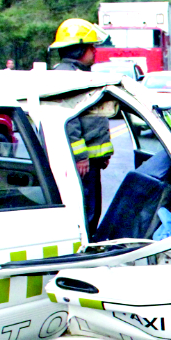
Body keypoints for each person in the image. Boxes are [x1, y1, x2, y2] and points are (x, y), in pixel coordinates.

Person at [50, 18, 114, 238]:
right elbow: (69, 122)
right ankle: (86, 252)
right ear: (79, 49)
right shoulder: (67, 78)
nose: (94, 51)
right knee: (86, 213)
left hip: (88, 162)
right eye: (90, 47)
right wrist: (81, 157)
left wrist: (101, 154)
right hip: (80, 164)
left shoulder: (75, 74)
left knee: (91, 210)